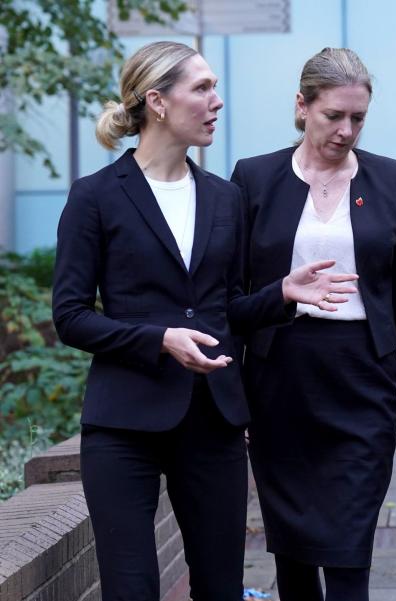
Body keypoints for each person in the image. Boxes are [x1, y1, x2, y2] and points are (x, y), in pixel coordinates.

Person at [52, 41, 357, 601]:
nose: (218, 101)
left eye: (215, 88)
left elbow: (226, 312)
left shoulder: (224, 198)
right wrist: (158, 340)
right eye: (203, 88)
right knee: (131, 589)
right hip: (123, 426)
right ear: (158, 102)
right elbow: (70, 317)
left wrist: (282, 294)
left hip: (213, 423)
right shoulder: (94, 197)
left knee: (221, 589)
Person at [230, 47, 396, 601]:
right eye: (333, 116)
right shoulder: (253, 178)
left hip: (363, 374)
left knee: (348, 550)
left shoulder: (392, 179)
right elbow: (234, 295)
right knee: (293, 553)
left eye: (358, 118)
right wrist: (233, 394)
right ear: (302, 106)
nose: (346, 130)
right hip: (280, 378)